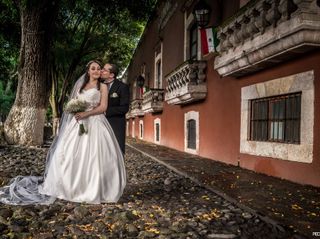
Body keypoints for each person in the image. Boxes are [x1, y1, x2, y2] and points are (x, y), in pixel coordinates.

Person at [0, 60, 126, 205]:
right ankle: (68, 187)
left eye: (98, 68)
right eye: (93, 68)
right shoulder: (81, 86)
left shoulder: (103, 86)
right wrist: (75, 111)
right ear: (88, 71)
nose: (96, 71)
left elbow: (103, 107)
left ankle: (95, 188)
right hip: (78, 122)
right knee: (69, 154)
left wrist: (87, 114)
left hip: (96, 123)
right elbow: (73, 103)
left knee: (95, 155)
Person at [101, 63, 130, 154]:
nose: (101, 71)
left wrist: (105, 111)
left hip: (115, 125)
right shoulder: (98, 86)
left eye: (104, 70)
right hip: (99, 123)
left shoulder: (122, 87)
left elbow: (124, 108)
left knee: (116, 151)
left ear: (111, 75)